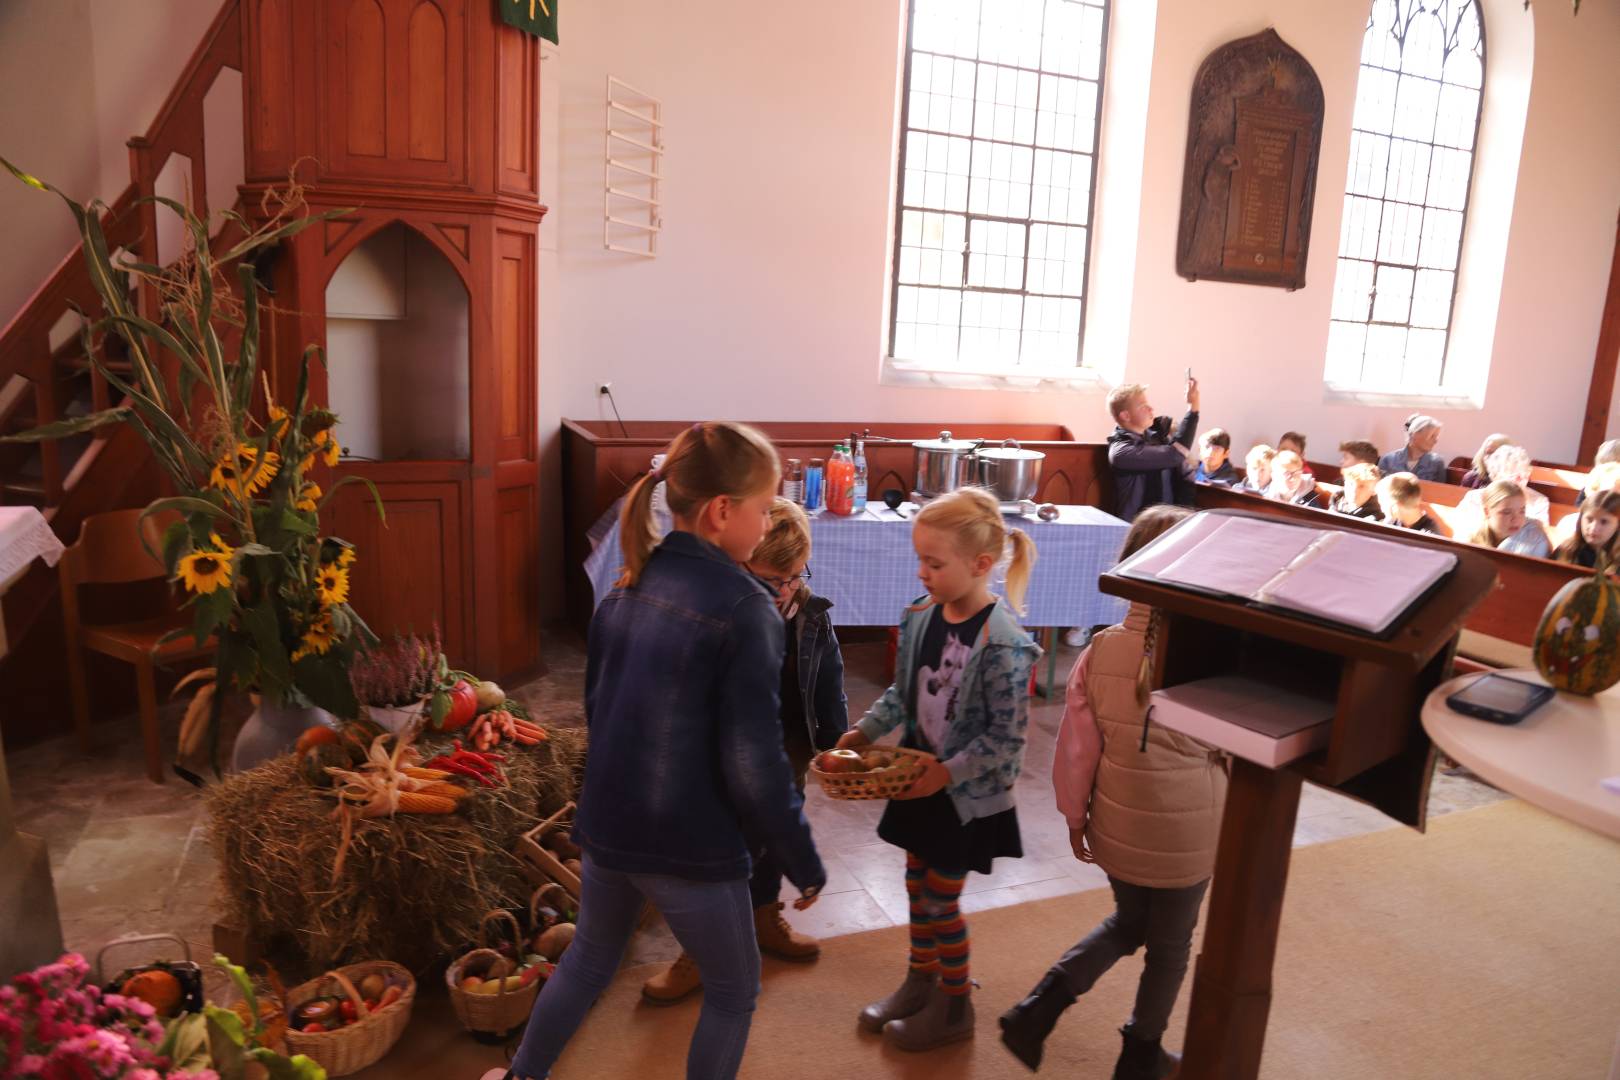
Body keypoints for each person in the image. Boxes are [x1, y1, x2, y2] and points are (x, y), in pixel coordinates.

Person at [495, 422, 826, 1080]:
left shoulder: (623, 588)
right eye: (763, 509)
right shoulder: (747, 608)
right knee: (734, 993)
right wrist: (800, 856)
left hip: (609, 828)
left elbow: (599, 716)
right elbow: (754, 763)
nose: (765, 526)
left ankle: (521, 1076)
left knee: (589, 960)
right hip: (691, 846)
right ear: (722, 511)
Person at [999, 504, 1226, 1079]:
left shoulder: (1099, 650)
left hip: (1118, 830)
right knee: (1170, 947)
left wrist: (1076, 819)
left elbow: (1076, 749)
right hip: (1187, 835)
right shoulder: (1213, 659)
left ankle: (1038, 1007)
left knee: (1130, 922)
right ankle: (1140, 1053)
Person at [837, 487, 1041, 1052]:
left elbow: (1007, 741)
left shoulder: (1004, 645)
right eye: (919, 560)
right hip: (918, 785)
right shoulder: (922, 616)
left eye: (934, 562)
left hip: (964, 797)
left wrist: (948, 772)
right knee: (913, 883)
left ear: (980, 565)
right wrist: (864, 732)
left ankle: (955, 1005)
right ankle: (918, 982)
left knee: (939, 899)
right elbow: (902, 696)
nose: (922, 572)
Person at [641, 497, 847, 1003]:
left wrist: (834, 742)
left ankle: (762, 919)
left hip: (785, 758)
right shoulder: (717, 619)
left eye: (795, 577)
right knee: (716, 859)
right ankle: (697, 950)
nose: (787, 591)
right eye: (772, 580)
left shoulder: (809, 613)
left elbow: (828, 681)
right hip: (720, 768)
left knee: (770, 846)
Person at [1105, 377, 1200, 523]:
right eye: (1143, 406)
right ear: (1126, 415)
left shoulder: (1157, 438)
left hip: (1165, 523)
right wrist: (1193, 409)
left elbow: (1183, 470)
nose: (1151, 409)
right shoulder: (1121, 451)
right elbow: (1174, 455)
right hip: (1136, 528)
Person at [1460, 444, 1549, 525]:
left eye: (1524, 475)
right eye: (1512, 476)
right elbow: (1463, 531)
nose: (1520, 481)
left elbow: (1538, 534)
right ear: (1495, 477)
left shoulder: (1538, 501)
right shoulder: (1474, 498)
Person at [1463, 480, 1551, 558]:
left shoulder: (1536, 540)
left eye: (1522, 511)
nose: (1516, 520)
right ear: (1487, 512)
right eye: (1507, 512)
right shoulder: (1471, 541)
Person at [1553, 490, 1620, 569]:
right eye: (1589, 519)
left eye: (1604, 522)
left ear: (1618, 525)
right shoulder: (1566, 549)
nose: (1594, 528)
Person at [1377, 414, 1447, 483]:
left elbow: (1441, 492)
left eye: (1436, 436)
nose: (1436, 441)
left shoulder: (1437, 463)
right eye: (1432, 436)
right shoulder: (1388, 460)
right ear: (1414, 434)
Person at [1376, 472, 1441, 533]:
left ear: (1394, 506)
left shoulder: (1428, 536)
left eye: (1382, 504)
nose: (1382, 510)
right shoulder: (1391, 522)